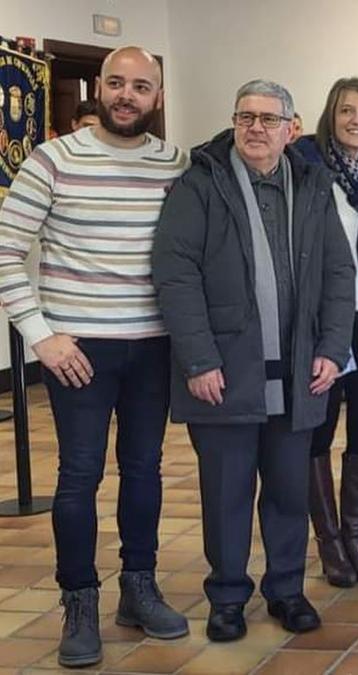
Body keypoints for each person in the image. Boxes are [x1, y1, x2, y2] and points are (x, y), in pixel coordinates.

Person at [0, 45, 190, 668]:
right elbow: (4, 251)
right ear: (98, 90)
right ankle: (78, 603)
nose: (126, 95)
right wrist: (41, 335)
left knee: (144, 471)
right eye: (116, 82)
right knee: (79, 478)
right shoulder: (52, 160)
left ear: (157, 97)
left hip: (154, 347)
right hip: (77, 350)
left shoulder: (175, 165)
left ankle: (139, 588)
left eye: (140, 86)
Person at [152, 79, 355, 641]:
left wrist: (334, 347)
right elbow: (175, 274)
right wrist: (198, 359)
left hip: (298, 374)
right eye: (246, 117)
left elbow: (339, 272)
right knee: (227, 492)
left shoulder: (313, 184)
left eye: (269, 119)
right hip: (223, 371)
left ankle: (286, 590)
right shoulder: (200, 184)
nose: (256, 128)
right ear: (234, 121)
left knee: (290, 490)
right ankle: (227, 597)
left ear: (292, 128)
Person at [293, 78, 358, 587]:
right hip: (323, 323)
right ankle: (329, 541)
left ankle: (355, 537)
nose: (357, 119)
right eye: (346, 111)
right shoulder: (306, 169)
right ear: (329, 117)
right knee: (319, 431)